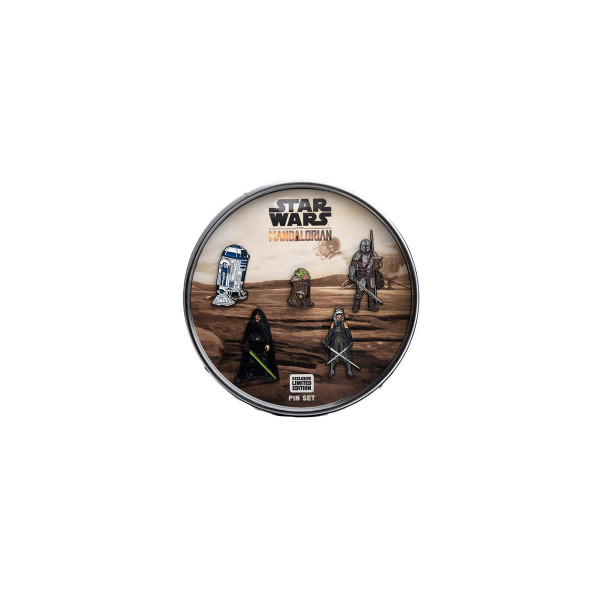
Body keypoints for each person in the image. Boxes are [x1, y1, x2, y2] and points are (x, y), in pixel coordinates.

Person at [234, 308, 279, 384]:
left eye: (258, 316)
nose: (257, 317)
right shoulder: (250, 325)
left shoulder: (264, 324)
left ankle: (268, 376)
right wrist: (245, 344)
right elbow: (247, 335)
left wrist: (268, 344)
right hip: (252, 345)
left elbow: (267, 336)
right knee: (250, 360)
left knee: (264, 360)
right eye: (256, 315)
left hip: (262, 345)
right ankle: (249, 375)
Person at [348, 236, 383, 312]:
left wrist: (377, 263)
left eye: (367, 246)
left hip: (371, 275)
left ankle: (371, 306)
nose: (366, 247)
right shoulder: (358, 254)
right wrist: (351, 274)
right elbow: (353, 265)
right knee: (359, 291)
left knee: (371, 291)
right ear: (361, 246)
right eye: (364, 246)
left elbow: (379, 263)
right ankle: (356, 306)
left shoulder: (373, 253)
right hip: (361, 275)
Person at [324, 308, 354, 378]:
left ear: (342, 317)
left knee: (346, 357)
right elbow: (330, 334)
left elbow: (348, 334)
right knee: (333, 357)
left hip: (343, 342)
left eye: (340, 317)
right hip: (335, 342)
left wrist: (350, 341)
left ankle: (349, 371)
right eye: (337, 317)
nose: (339, 319)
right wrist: (327, 342)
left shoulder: (344, 324)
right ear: (335, 317)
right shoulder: (333, 324)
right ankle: (332, 371)